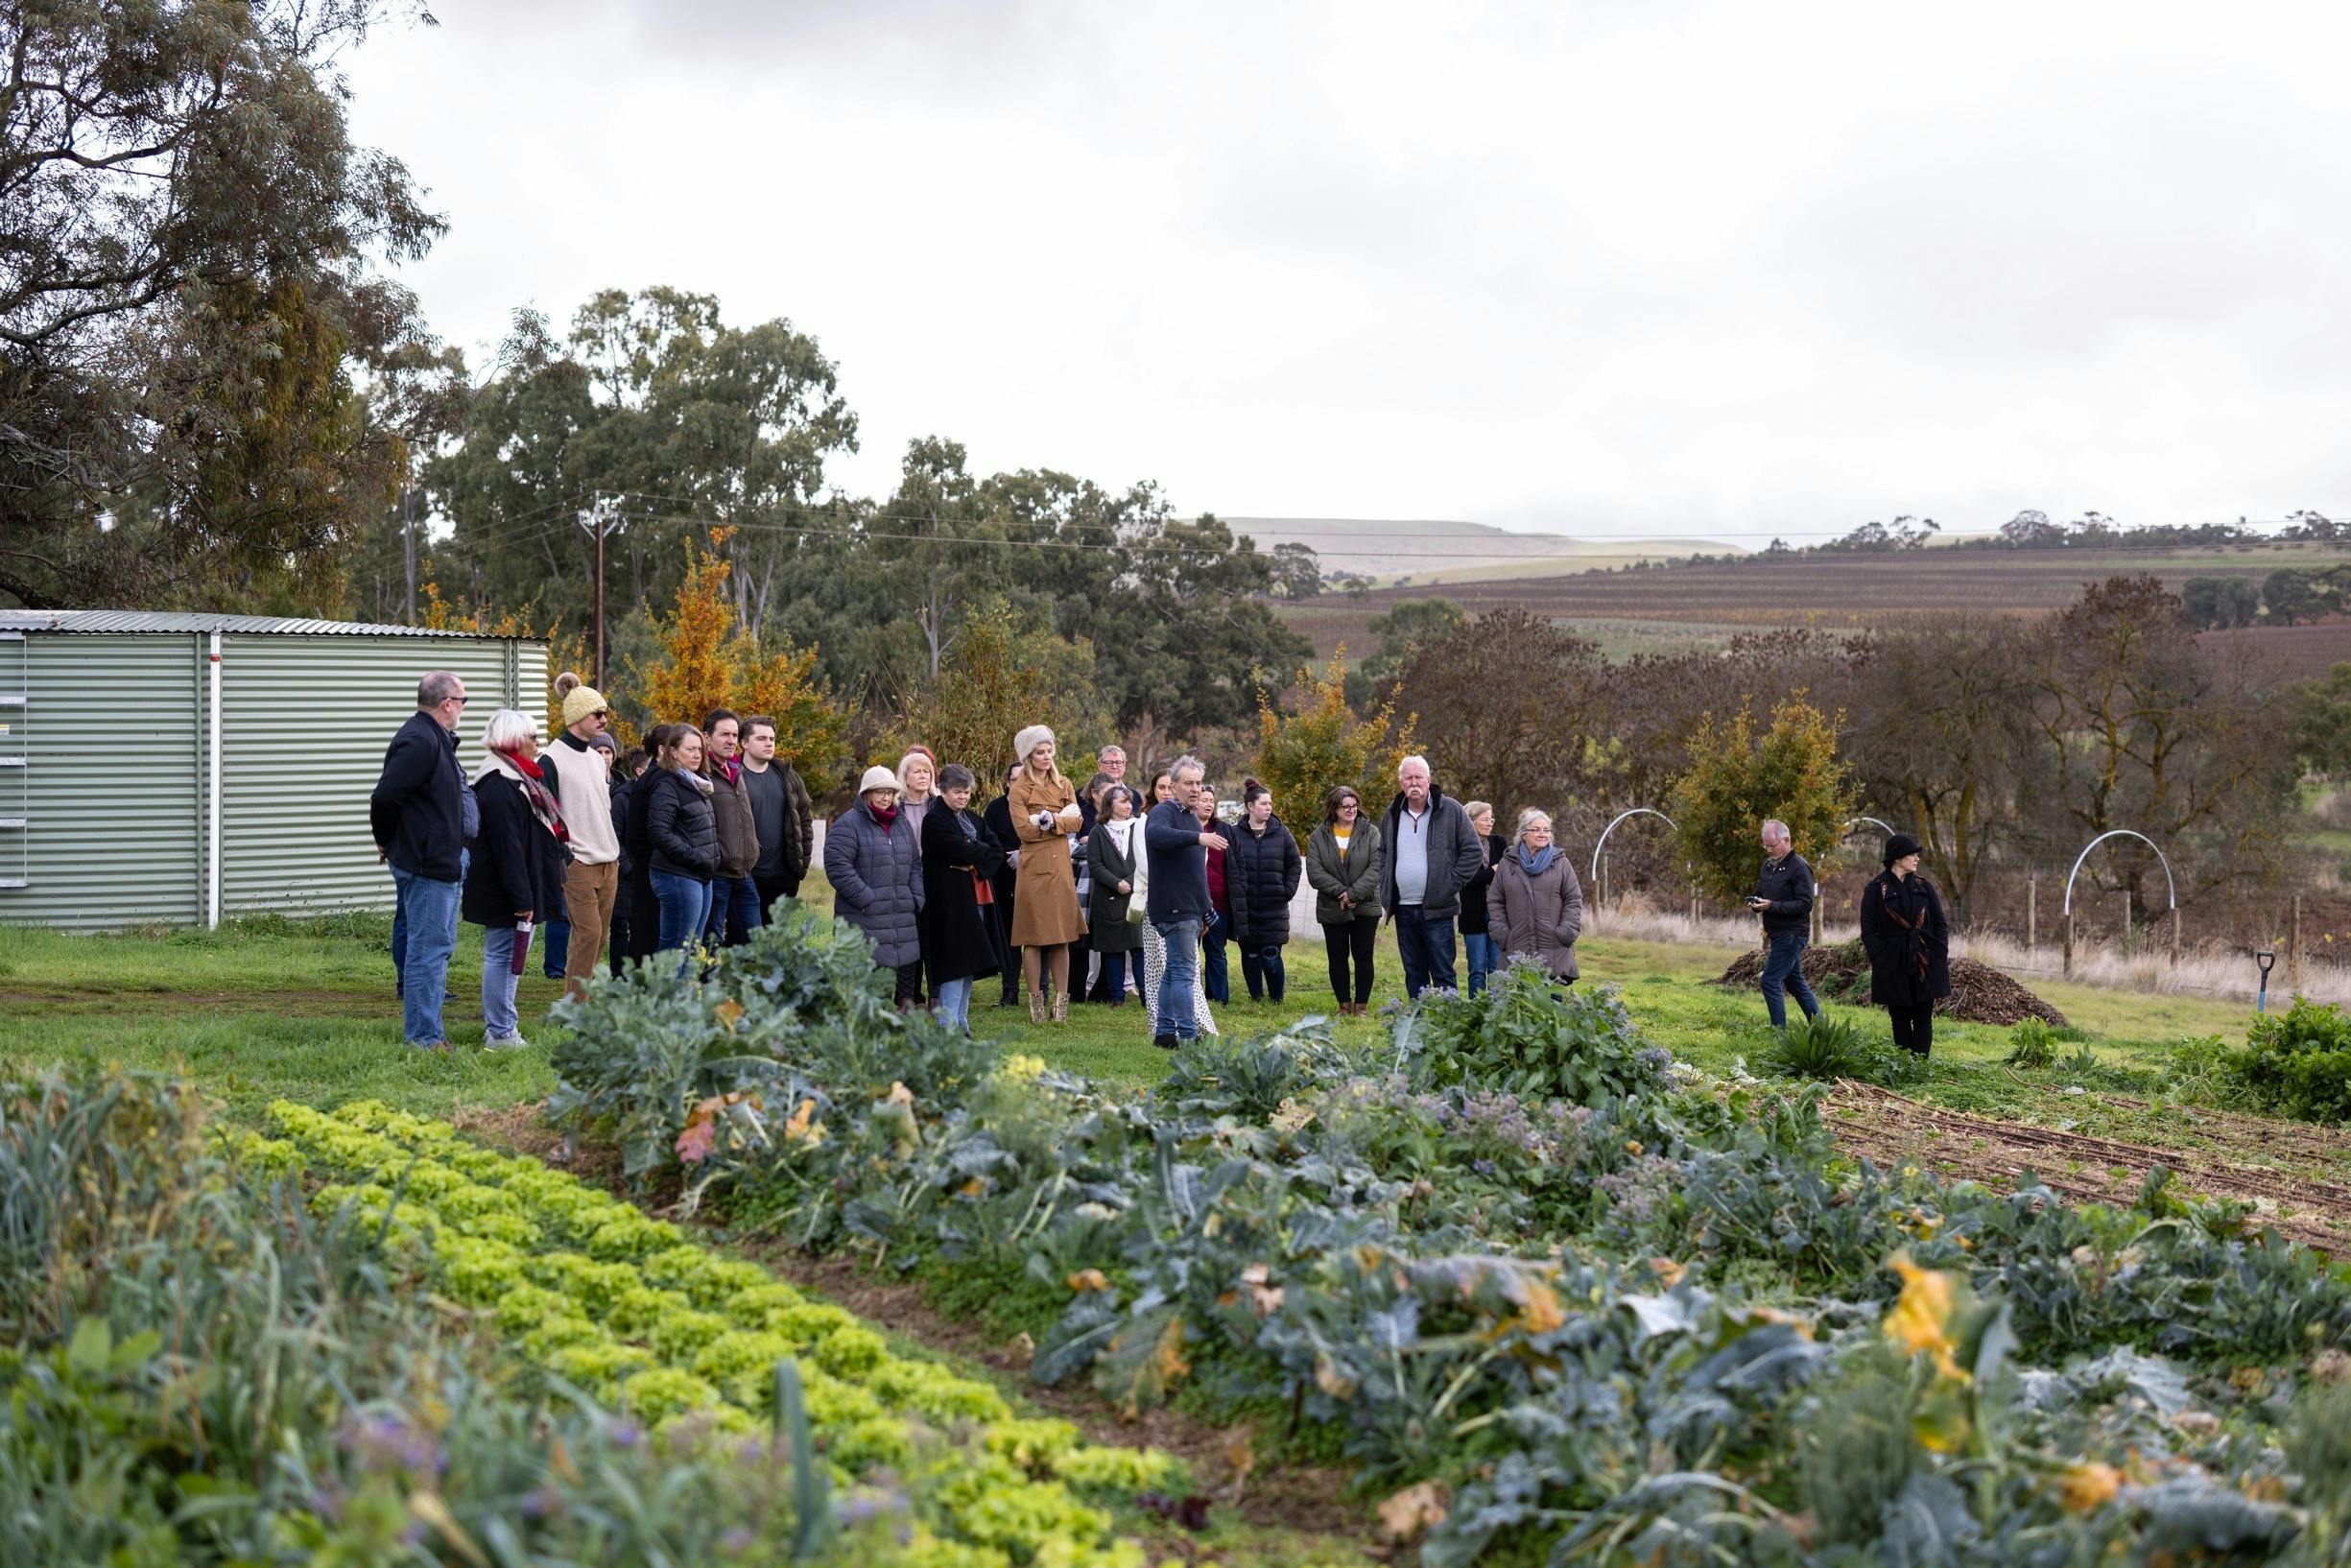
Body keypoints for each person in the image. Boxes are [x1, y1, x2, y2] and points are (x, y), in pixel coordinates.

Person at [370, 671, 474, 1051]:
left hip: (440, 860)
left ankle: (429, 1033)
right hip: (428, 863)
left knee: (436, 948)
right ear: (447, 703)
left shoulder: (435, 739)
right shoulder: (419, 740)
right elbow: (384, 798)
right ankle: (423, 1039)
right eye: (463, 701)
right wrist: (387, 839)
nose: (464, 708)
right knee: (428, 952)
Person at [463, 709, 568, 1049]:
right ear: (511, 740)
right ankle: (500, 1031)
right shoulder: (499, 784)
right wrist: (522, 899)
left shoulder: (520, 777)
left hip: (520, 884)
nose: (537, 743)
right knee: (504, 956)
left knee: (511, 957)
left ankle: (501, 1025)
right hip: (507, 890)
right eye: (531, 736)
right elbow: (507, 849)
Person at [1375, 755, 1486, 998]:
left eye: (1418, 777)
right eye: (1408, 778)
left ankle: (1449, 1026)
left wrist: (1449, 884)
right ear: (1401, 782)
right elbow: (1382, 852)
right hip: (1403, 908)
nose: (1414, 782)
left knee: (1443, 972)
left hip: (1439, 909)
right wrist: (1385, 883)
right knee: (1414, 971)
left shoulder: (1451, 810)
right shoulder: (1392, 813)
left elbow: (1473, 852)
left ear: (1429, 780)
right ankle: (1420, 1024)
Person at [541, 677, 620, 1000]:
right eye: (597, 714)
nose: (604, 720)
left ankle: (579, 999)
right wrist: (564, 853)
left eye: (604, 712)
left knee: (599, 939)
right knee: (588, 933)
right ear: (576, 717)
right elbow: (546, 813)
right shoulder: (551, 759)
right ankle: (574, 1007)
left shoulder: (594, 758)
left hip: (608, 860)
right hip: (577, 861)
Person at [1144, 754, 1226, 1051]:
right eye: (1188, 783)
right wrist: (1198, 839)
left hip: (1190, 908)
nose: (1195, 789)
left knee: (1173, 971)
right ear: (1174, 785)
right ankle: (1189, 1036)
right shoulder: (1163, 812)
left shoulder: (1189, 815)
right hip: (1174, 907)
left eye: (1199, 783)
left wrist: (1205, 910)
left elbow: (1195, 874)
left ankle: (1165, 1033)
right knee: (1183, 972)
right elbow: (1156, 836)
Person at [826, 765, 926, 1005]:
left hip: (901, 909)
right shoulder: (849, 824)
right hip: (865, 912)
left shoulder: (901, 823)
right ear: (865, 795)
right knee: (869, 972)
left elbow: (914, 863)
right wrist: (866, 898)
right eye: (879, 792)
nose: (885, 797)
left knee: (901, 962)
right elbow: (838, 866)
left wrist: (915, 896)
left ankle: (899, 1008)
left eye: (890, 792)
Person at [1009, 725, 1087, 1021]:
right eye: (1039, 752)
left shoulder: (1064, 783)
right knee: (1034, 937)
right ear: (1028, 755)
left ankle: (1061, 1005)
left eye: (1048, 750)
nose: (1045, 756)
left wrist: (1049, 820)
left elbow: (1078, 822)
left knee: (1062, 937)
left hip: (1060, 867)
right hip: (1034, 869)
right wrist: (1059, 821)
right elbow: (1024, 831)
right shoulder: (1019, 789)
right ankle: (1036, 1005)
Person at [922, 764, 1007, 1031]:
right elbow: (958, 849)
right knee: (955, 964)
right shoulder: (935, 820)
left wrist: (974, 862)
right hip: (949, 904)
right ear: (944, 791)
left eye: (967, 792)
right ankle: (947, 1025)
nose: (963, 797)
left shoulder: (973, 819)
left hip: (977, 899)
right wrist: (972, 852)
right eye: (958, 792)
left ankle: (962, 1022)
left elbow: (997, 851)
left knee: (970, 964)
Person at [1860, 833, 1950, 1057]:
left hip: (1925, 961)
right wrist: (1880, 957)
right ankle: (1905, 1066)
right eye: (1912, 854)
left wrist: (1938, 952)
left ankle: (1919, 1066)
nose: (1917, 858)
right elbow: (1868, 931)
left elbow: (1940, 923)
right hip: (1892, 962)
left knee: (1923, 1018)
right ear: (1898, 857)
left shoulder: (1924, 887)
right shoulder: (1875, 889)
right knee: (1899, 1019)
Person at [1305, 785, 1383, 1016]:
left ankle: (1361, 1006)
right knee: (1337, 957)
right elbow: (1314, 871)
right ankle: (1343, 1005)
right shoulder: (1319, 836)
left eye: (1354, 806)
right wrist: (1342, 892)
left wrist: (1354, 894)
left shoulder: (1371, 833)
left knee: (1363, 955)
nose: (1351, 810)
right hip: (1332, 905)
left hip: (1365, 904)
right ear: (1334, 808)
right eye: (1345, 806)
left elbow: (1376, 866)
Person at [1486, 808, 1583, 987]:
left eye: (1547, 830)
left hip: (1554, 945)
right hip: (1516, 945)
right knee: (1520, 1007)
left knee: (1553, 1005)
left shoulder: (1560, 862)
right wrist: (1502, 933)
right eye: (1536, 829)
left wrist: (1566, 930)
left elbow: (1573, 898)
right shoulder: (1508, 862)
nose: (1543, 834)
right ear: (1524, 834)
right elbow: (1495, 900)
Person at [1226, 778, 1302, 1004]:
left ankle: (1277, 998)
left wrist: (1287, 890)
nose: (1269, 807)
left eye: (1270, 804)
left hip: (1273, 908)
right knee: (1249, 955)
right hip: (1245, 908)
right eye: (1264, 803)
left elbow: (1295, 864)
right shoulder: (1234, 834)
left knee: (1271, 955)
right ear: (1250, 806)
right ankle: (1256, 997)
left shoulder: (1282, 833)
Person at [645, 724, 718, 956]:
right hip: (678, 874)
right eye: (690, 749)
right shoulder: (668, 784)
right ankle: (665, 993)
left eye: (699, 749)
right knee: (675, 950)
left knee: (692, 949)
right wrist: (696, 856)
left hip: (701, 874)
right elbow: (659, 833)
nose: (697, 754)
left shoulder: (698, 783)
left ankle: (684, 993)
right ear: (673, 752)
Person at [1750, 818, 1823, 1030]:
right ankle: (1820, 1028)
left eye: (1772, 845)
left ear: (1786, 840)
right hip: (1776, 932)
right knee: (1794, 982)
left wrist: (1771, 906)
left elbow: (1805, 904)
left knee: (1770, 981)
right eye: (1765, 845)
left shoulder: (1800, 867)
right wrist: (1755, 902)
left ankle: (1778, 1033)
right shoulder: (1767, 866)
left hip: (1792, 934)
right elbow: (1760, 892)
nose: (1768, 850)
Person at [701, 709, 763, 947]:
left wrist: (754, 850)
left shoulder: (737, 771)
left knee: (754, 942)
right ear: (707, 737)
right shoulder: (701, 773)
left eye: (734, 735)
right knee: (710, 943)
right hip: (717, 875)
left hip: (744, 873)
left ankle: (743, 985)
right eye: (724, 734)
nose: (731, 740)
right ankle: (707, 985)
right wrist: (715, 858)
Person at [742, 716, 811, 925]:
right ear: (744, 743)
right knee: (744, 943)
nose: (769, 743)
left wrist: (800, 867)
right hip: (747, 876)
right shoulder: (734, 777)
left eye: (772, 738)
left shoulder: (788, 777)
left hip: (783, 877)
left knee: (775, 945)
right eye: (761, 738)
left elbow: (805, 821)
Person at [1084, 783, 1145, 1004]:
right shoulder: (1098, 831)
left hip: (1136, 897)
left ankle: (1147, 998)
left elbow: (1144, 861)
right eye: (1123, 801)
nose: (1129, 805)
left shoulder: (1138, 828)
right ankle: (1117, 998)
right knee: (1112, 951)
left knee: (1139, 950)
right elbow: (1095, 864)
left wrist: (1129, 882)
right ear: (1110, 804)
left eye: (1130, 801)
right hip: (1108, 899)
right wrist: (1116, 883)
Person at [620, 727, 671, 964]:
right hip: (652, 866)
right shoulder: (654, 781)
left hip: (651, 865)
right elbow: (639, 833)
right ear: (662, 750)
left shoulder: (658, 778)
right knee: (648, 931)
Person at [983, 763, 1024, 1008]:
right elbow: (988, 838)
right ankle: (1010, 990)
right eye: (1015, 779)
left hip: (1033, 876)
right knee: (1009, 936)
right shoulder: (996, 807)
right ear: (1007, 782)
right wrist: (1006, 855)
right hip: (1003, 875)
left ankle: (1039, 992)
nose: (1019, 783)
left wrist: (1024, 855)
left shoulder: (1036, 805)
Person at [1459, 800, 1504, 997]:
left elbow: (1507, 874)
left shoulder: (1499, 842)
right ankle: (1476, 1013)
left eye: (1491, 818)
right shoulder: (1461, 846)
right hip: (1472, 915)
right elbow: (1465, 880)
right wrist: (1493, 871)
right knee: (1476, 971)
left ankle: (1496, 1014)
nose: (1489, 822)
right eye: (1485, 819)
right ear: (1471, 820)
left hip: (1498, 915)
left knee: (1496, 970)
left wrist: (1486, 875)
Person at [606, 743, 646, 970]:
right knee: (621, 927)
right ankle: (619, 975)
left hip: (645, 874)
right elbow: (615, 835)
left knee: (642, 928)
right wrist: (628, 866)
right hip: (626, 875)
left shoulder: (654, 795)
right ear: (640, 771)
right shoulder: (623, 798)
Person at [1196, 784, 1232, 1004]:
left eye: (1211, 800)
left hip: (1218, 902)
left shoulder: (1223, 829)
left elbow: (1234, 864)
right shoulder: (1185, 828)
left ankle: (1218, 997)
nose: (1208, 804)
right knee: (1189, 952)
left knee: (1216, 951)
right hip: (1191, 901)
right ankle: (1193, 996)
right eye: (1204, 799)